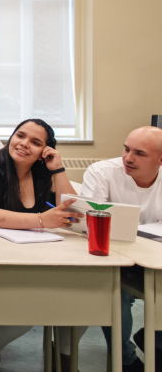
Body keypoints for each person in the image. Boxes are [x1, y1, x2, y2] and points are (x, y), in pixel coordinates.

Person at [0, 119, 84, 372]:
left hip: (31, 254)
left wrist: (58, 169)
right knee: (28, 307)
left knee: (83, 295)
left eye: (36, 143)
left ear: (44, 152)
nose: (24, 144)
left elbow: (74, 212)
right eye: (20, 136)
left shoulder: (43, 172)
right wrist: (40, 220)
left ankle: (64, 356)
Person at [82, 126, 162, 372]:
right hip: (114, 257)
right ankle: (125, 359)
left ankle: (155, 341)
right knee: (116, 293)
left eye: (139, 153)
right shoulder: (102, 172)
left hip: (156, 258)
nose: (128, 158)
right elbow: (89, 222)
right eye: (126, 149)